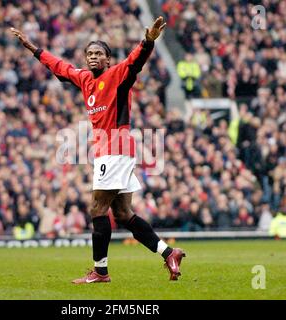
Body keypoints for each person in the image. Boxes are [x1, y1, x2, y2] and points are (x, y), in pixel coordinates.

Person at [10, 16, 186, 284]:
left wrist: (147, 42)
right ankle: (169, 253)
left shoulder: (117, 75)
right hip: (113, 151)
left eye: (99, 53)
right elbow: (59, 67)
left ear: (107, 58)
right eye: (89, 53)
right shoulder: (84, 79)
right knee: (124, 214)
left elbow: (134, 62)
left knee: (96, 208)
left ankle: (100, 272)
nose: (93, 57)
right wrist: (32, 48)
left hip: (115, 148)